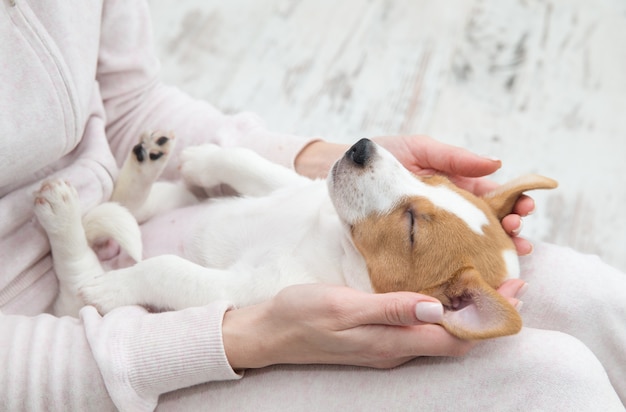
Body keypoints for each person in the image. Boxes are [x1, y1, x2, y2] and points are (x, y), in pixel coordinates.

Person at [0, 1, 624, 411]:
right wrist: (252, 338)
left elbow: (127, 100)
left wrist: (314, 161)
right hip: (60, 352)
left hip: (136, 214)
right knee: (554, 381)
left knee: (591, 296)